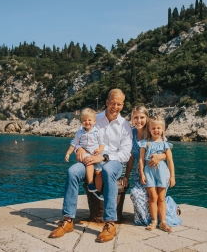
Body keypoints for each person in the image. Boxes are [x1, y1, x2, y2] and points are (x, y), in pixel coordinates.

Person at [48, 89, 132, 243]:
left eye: (119, 104)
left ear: (123, 105)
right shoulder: (93, 118)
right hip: (89, 160)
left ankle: (110, 223)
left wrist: (104, 156)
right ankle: (68, 221)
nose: (115, 106)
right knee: (72, 172)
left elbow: (126, 154)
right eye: (113, 102)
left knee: (107, 170)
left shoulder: (125, 125)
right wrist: (79, 149)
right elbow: (80, 137)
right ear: (107, 102)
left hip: (113, 162)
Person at [122, 106, 181, 229]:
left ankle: (166, 213)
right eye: (136, 118)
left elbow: (167, 154)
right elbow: (131, 157)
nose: (139, 120)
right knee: (136, 195)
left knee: (157, 198)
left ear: (147, 118)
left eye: (142, 117)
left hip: (159, 172)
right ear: (132, 119)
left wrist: (160, 156)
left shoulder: (154, 130)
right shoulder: (130, 134)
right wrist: (126, 176)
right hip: (142, 174)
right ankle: (155, 219)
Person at [138, 115, 176, 232]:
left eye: (158, 128)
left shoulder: (166, 144)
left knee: (161, 198)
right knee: (152, 197)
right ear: (149, 129)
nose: (156, 130)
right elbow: (141, 159)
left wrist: (172, 176)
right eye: (153, 128)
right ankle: (154, 220)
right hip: (149, 173)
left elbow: (170, 160)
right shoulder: (145, 143)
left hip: (162, 173)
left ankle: (163, 222)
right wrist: (142, 174)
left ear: (163, 129)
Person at [64, 108, 105, 200]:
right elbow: (73, 144)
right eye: (84, 120)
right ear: (81, 121)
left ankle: (97, 191)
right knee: (89, 162)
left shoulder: (97, 132)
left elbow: (102, 144)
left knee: (99, 172)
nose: (87, 122)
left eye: (89, 120)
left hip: (95, 155)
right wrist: (68, 153)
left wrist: (99, 150)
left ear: (94, 121)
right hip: (86, 154)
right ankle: (90, 183)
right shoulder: (80, 133)